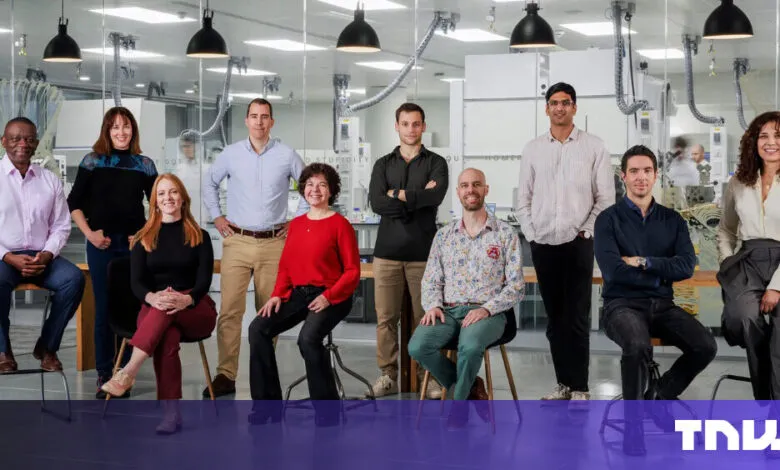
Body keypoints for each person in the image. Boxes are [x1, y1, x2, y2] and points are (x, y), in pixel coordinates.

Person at [594, 145, 717, 456]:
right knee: (637, 345)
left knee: (705, 345)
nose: (641, 177)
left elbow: (686, 266)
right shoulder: (607, 220)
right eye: (634, 171)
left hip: (663, 306)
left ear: (655, 175)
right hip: (621, 305)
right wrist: (660, 274)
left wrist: (644, 262)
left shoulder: (672, 220)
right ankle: (633, 429)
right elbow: (613, 271)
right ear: (623, 177)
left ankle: (658, 396)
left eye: (647, 170)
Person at [516, 82, 614, 405]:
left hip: (578, 243)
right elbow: (523, 199)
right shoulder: (533, 149)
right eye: (554, 102)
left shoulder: (594, 147)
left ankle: (580, 386)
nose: (560, 107)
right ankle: (563, 384)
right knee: (555, 319)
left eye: (566, 102)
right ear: (547, 108)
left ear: (574, 107)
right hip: (543, 243)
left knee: (577, 318)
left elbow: (605, 199)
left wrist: (585, 232)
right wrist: (531, 233)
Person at [202, 98, 307, 397]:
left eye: (264, 117)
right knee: (230, 311)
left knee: (269, 312)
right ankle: (226, 374)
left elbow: (309, 186)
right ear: (246, 120)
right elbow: (209, 183)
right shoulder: (231, 154)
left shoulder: (287, 155)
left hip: (274, 243)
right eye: (254, 116)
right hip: (237, 241)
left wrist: (296, 222)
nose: (259, 122)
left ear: (272, 122)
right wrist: (217, 216)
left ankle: (263, 373)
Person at [100, 174, 216, 434]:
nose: (168, 198)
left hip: (195, 308)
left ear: (183, 198)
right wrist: (154, 298)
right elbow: (137, 283)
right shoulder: (143, 237)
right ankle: (171, 414)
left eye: (173, 192)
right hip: (155, 307)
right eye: (161, 194)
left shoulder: (201, 236)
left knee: (166, 315)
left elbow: (204, 282)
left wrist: (185, 299)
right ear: (154, 202)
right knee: (167, 336)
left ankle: (129, 371)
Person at [408, 168, 523, 425]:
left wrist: (486, 309)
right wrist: (433, 305)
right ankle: (471, 388)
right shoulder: (444, 235)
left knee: (470, 346)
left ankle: (458, 407)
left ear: (486, 189)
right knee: (417, 346)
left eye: (476, 184)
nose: (470, 190)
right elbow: (431, 279)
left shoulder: (505, 234)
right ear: (458, 192)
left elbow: (516, 286)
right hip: (448, 311)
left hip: (487, 312)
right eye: (465, 185)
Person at [248, 163, 359, 424]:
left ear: (331, 190)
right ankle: (267, 407)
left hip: (333, 295)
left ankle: (327, 412)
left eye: (322, 185)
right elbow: (286, 267)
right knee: (257, 329)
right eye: (309, 184)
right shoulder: (296, 225)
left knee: (308, 340)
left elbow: (352, 271)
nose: (314, 190)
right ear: (302, 189)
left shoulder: (340, 224)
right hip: (299, 293)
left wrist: (328, 297)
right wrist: (277, 295)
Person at [67, 107, 157, 397]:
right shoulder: (92, 161)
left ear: (133, 130)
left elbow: (158, 206)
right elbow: (74, 203)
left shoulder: (144, 164)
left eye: (126, 126)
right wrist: (89, 234)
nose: (121, 132)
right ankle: (105, 372)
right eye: (115, 127)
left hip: (133, 246)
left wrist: (143, 233)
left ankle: (124, 373)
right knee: (104, 308)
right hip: (101, 245)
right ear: (107, 130)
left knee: (131, 307)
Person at [367, 102, 449, 398]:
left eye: (416, 124)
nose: (411, 129)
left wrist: (397, 194)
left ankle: (427, 376)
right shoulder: (383, 164)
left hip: (423, 256)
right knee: (385, 319)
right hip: (386, 254)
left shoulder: (436, 162)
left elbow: (435, 197)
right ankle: (388, 376)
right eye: (405, 124)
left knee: (425, 319)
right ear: (397, 126)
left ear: (423, 126)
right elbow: (376, 202)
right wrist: (416, 199)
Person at [0, 117, 85, 372]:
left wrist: (47, 254)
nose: (22, 144)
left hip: (42, 257)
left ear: (36, 143)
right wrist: (8, 256)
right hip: (4, 258)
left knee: (74, 279)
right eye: (15, 138)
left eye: (29, 139)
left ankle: (47, 347)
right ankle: (3, 351)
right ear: (3, 142)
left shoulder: (49, 180)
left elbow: (61, 225)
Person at [718, 111, 780, 403]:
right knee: (744, 318)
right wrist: (726, 262)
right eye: (763, 136)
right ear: (754, 142)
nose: (770, 142)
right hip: (747, 261)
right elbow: (726, 229)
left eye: (777, 136)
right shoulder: (739, 182)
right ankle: (766, 400)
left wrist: (776, 286)